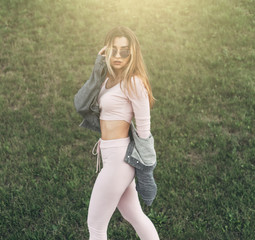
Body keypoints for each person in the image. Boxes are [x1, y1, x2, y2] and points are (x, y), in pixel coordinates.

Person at [74, 26, 160, 240]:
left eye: (125, 50)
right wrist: (98, 68)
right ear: (107, 50)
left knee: (95, 226)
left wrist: (147, 169)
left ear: (133, 53)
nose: (119, 55)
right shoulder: (106, 80)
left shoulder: (134, 82)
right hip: (111, 156)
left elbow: (143, 130)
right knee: (134, 215)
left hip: (120, 160)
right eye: (114, 49)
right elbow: (81, 105)